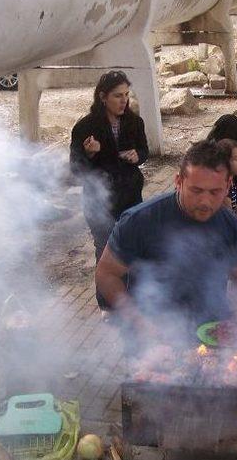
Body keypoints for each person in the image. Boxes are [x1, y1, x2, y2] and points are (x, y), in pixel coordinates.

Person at [95, 140, 237, 342]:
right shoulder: (140, 220)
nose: (205, 202)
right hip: (153, 334)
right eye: (196, 190)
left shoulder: (232, 226)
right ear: (178, 181)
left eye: (215, 192)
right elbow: (106, 274)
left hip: (209, 333)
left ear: (228, 185)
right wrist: (138, 320)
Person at [70, 71, 149, 314]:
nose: (124, 101)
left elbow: (144, 150)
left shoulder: (134, 122)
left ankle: (132, 300)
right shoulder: (86, 127)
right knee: (105, 251)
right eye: (117, 96)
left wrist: (138, 155)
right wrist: (90, 154)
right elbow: (76, 169)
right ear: (102, 97)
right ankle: (107, 305)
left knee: (132, 249)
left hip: (129, 197)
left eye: (126, 95)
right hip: (99, 202)